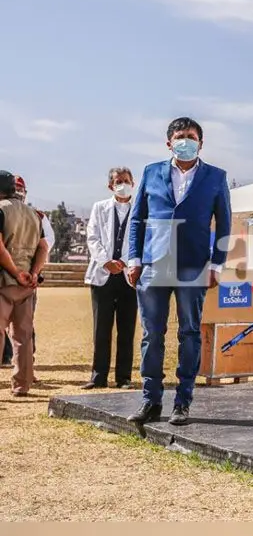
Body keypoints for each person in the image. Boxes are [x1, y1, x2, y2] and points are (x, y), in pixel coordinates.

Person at [126, 117, 232, 426]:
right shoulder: (151, 172)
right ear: (168, 142)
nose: (185, 140)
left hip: (193, 264)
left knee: (189, 333)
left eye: (191, 136)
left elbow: (224, 222)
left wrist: (217, 263)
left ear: (201, 142)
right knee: (151, 334)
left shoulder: (215, 176)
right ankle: (150, 400)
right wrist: (133, 258)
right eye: (179, 136)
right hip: (153, 263)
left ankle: (182, 401)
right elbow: (137, 219)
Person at [83, 167, 138, 390]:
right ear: (110, 185)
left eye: (126, 180)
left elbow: (141, 238)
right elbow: (92, 236)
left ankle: (124, 377)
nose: (122, 184)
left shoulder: (139, 209)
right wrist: (106, 261)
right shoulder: (99, 208)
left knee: (127, 328)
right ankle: (98, 376)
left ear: (133, 183)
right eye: (118, 181)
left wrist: (123, 262)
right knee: (101, 328)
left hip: (128, 276)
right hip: (102, 275)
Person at [0, 170, 48, 396]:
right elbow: (43, 247)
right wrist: (33, 273)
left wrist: (15, 271)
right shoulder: (34, 214)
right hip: (27, 285)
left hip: (4, 280)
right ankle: (22, 384)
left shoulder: (1, 210)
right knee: (23, 337)